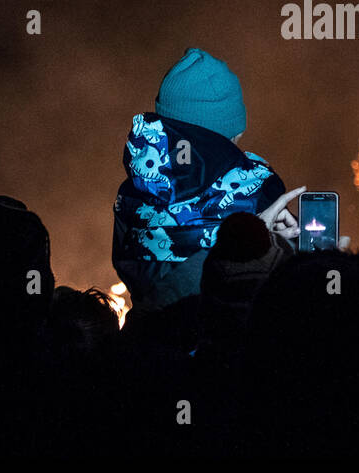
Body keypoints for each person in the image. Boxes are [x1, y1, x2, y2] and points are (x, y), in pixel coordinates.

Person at [112, 47, 302, 316]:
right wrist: (269, 247)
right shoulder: (255, 191)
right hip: (224, 346)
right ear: (234, 131)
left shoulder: (133, 190)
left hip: (146, 342)